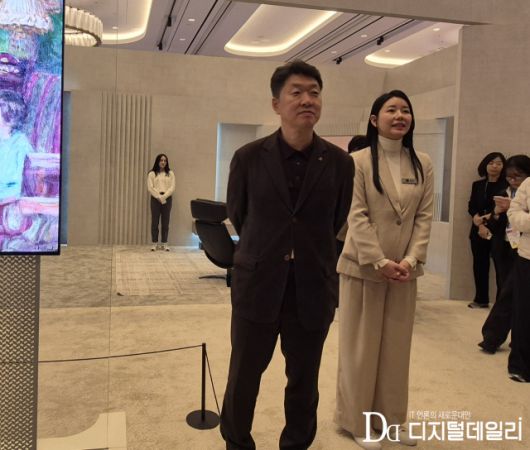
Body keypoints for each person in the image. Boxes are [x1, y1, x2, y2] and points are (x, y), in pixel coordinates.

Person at [220, 60, 354, 450]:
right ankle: (237, 443)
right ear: (276, 104)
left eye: (314, 92)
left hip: (312, 288)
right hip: (258, 284)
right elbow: (240, 215)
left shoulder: (340, 163)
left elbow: (336, 220)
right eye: (296, 92)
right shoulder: (248, 157)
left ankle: (295, 444)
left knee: (304, 381)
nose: (307, 99)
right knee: (244, 376)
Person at [335, 90, 434, 449]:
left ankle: (392, 420)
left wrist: (410, 260)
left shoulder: (423, 162)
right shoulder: (358, 161)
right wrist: (379, 260)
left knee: (396, 349)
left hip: (404, 271)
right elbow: (356, 215)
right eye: (391, 110)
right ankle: (357, 421)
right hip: (363, 267)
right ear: (375, 120)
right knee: (361, 349)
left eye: (405, 110)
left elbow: (424, 217)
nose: (400, 115)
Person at [478, 155, 530, 354]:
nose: (513, 180)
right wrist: (497, 213)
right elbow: (495, 223)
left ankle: (497, 338)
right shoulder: (503, 192)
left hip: (524, 251)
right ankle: (493, 337)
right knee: (506, 292)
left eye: (518, 176)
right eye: (509, 176)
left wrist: (513, 210)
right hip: (505, 247)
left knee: (512, 295)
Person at [467, 152, 508, 308]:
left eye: (499, 163)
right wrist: (478, 222)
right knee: (480, 265)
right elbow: (472, 206)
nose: (494, 166)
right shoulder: (477, 185)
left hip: (498, 231)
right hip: (478, 230)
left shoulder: (506, 186)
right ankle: (481, 299)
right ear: (485, 165)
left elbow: (502, 210)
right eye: (491, 163)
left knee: (500, 267)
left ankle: (500, 304)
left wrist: (483, 221)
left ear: (503, 167)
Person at [506, 170, 530, 382]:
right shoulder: (528, 184)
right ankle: (520, 366)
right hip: (528, 257)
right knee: (523, 311)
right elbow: (513, 215)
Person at [147, 153, 175, 251]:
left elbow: (172, 187)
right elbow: (150, 188)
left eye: (165, 161)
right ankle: (154, 243)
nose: (163, 162)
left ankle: (164, 243)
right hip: (155, 199)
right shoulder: (152, 173)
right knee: (155, 222)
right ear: (157, 161)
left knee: (165, 222)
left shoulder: (170, 173)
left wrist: (164, 196)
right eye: (161, 160)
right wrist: (159, 197)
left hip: (167, 199)